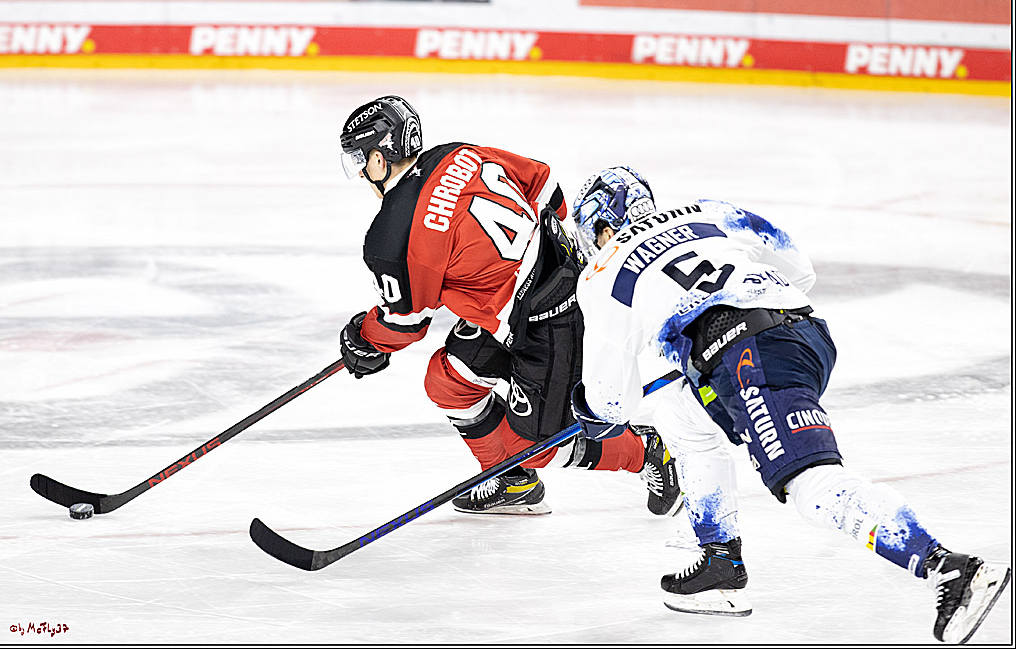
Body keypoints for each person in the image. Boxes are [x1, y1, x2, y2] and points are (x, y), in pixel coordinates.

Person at [568, 165, 1011, 642]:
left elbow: (611, 402)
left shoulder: (601, 271)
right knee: (680, 416)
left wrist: (587, 410)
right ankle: (719, 564)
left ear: (597, 226)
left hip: (749, 358)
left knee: (814, 487)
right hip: (804, 335)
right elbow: (800, 271)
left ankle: (950, 569)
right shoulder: (707, 211)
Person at [336, 95, 682, 517]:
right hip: (530, 299)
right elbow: (546, 187)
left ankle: (645, 452)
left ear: (378, 158)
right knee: (449, 381)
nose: (359, 173)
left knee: (535, 448)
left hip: (555, 319)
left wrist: (363, 340)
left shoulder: (392, 235)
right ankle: (510, 482)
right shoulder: (458, 155)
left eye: (359, 159)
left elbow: (405, 325)